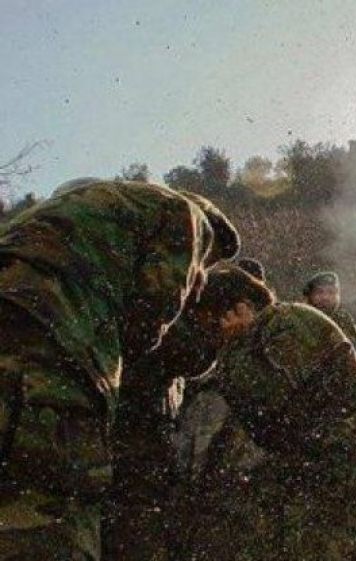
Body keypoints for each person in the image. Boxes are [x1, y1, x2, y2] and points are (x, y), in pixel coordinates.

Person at [0, 179, 242, 560]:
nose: (204, 272)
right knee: (54, 502)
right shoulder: (186, 216)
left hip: (17, 326)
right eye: (207, 263)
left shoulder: (83, 205)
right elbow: (146, 321)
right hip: (51, 344)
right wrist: (185, 296)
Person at [179, 302, 356, 561]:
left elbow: (263, 409)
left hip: (339, 474)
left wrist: (230, 348)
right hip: (341, 468)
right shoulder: (279, 328)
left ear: (236, 309)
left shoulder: (281, 325)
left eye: (212, 323)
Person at [103, 261, 275, 561]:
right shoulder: (167, 328)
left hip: (143, 466)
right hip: (130, 465)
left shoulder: (169, 321)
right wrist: (232, 342)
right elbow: (190, 358)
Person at [302, 271, 356, 362]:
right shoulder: (299, 318)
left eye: (331, 292)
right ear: (309, 296)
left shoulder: (343, 319)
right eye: (319, 292)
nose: (325, 297)